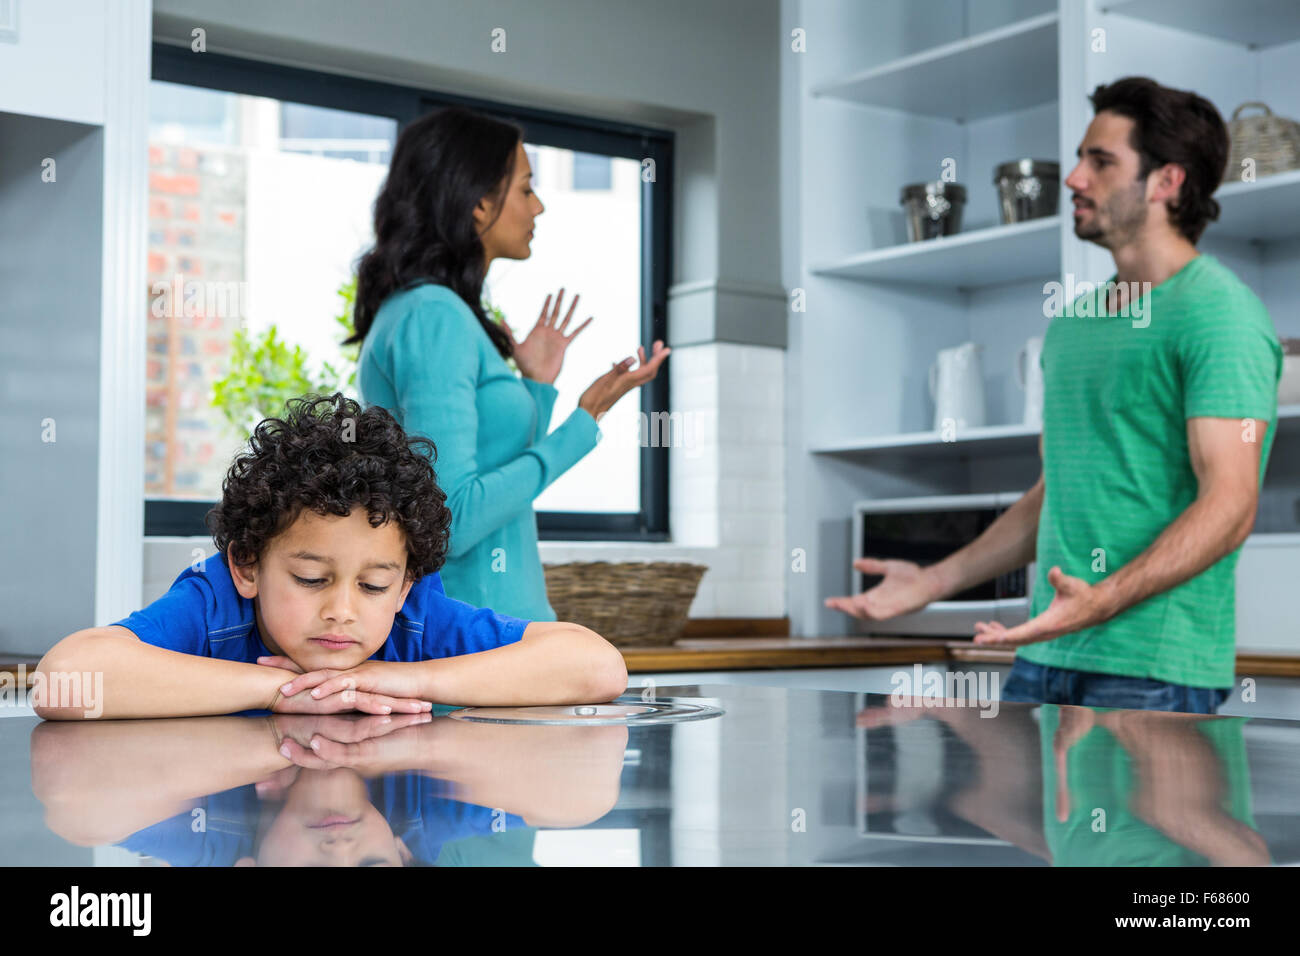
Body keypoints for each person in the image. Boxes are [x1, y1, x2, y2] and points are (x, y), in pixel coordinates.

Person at [827, 76, 1283, 714]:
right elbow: (1053, 496)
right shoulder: (1074, 326)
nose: (1073, 178)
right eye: (1080, 159)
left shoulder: (1220, 316)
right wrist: (928, 584)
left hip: (1153, 668)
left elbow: (1230, 504)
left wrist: (1103, 600)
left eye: (1100, 161)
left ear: (1166, 182)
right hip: (1043, 657)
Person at [33, 394, 628, 720]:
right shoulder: (215, 603)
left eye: (373, 586)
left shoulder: (413, 619)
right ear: (247, 565)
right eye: (311, 578)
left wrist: (398, 678)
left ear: (403, 586)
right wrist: (275, 691)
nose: (343, 610)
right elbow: (64, 682)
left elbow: (597, 667)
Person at [346, 105, 669, 620]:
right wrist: (584, 423)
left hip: (495, 632)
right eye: (525, 188)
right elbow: (450, 520)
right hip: (475, 638)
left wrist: (536, 387)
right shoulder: (434, 317)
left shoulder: (435, 313)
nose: (537, 206)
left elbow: (491, 473)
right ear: (478, 203)